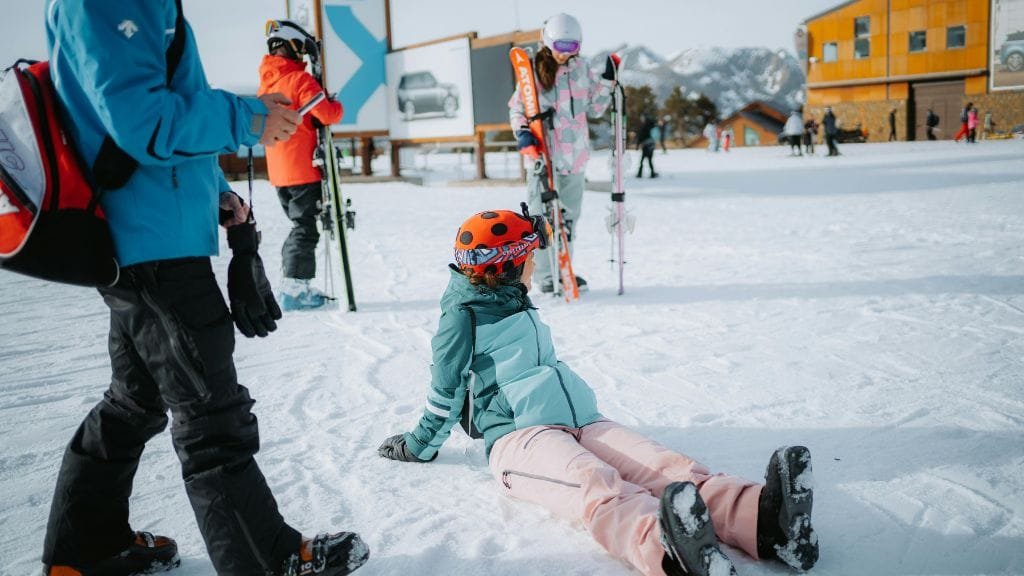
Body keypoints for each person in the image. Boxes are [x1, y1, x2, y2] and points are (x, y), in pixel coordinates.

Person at [41, 2, 369, 575]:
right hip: (152, 243)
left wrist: (214, 188)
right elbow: (139, 119)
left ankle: (85, 547)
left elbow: (156, 108)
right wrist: (247, 118)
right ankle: (265, 561)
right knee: (210, 414)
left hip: (153, 231)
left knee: (135, 401)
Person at [377, 207, 820, 576]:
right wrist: (419, 446)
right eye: (531, 256)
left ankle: (766, 521)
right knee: (595, 483)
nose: (537, 263)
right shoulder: (462, 317)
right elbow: (445, 391)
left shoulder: (510, 296)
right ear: (507, 264)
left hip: (581, 419)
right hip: (518, 438)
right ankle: (667, 548)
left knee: (664, 465)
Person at [509, 12, 615, 294]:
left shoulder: (582, 70)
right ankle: (544, 274)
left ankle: (563, 267)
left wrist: (606, 83)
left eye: (572, 47)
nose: (565, 54)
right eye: (560, 47)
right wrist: (523, 135)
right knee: (541, 219)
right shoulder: (532, 72)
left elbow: (594, 109)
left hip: (575, 159)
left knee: (567, 219)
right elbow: (517, 108)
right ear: (547, 42)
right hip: (543, 159)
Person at [258, 20, 344, 311]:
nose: (304, 57)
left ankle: (292, 283)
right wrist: (335, 103)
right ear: (294, 47)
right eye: (302, 51)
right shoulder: (298, 81)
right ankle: (295, 289)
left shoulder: (267, 83)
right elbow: (328, 114)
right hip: (302, 169)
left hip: (280, 172)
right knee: (305, 228)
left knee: (299, 226)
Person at [636, 113, 659, 178]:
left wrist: (637, 145)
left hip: (646, 146)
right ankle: (652, 173)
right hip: (651, 145)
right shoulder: (650, 125)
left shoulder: (644, 126)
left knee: (643, 160)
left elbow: (640, 137)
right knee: (649, 160)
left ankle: (640, 174)